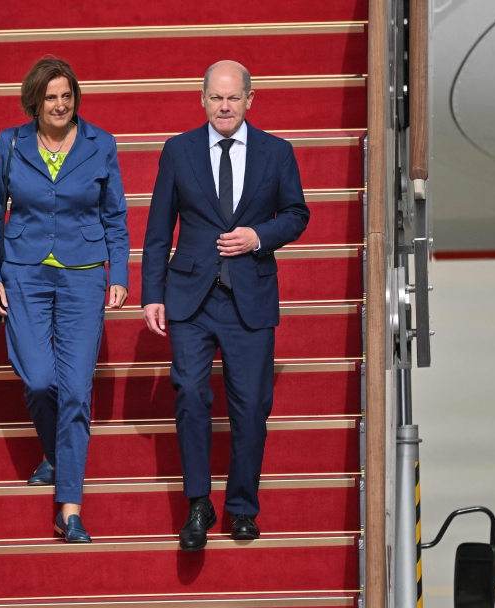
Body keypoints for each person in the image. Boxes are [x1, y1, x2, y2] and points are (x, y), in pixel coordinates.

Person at [140, 60, 310, 550]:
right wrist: (153, 292)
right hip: (191, 298)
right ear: (202, 99)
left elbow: (297, 214)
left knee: (251, 406)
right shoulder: (178, 151)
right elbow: (158, 230)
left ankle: (241, 508)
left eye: (233, 97)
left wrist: (260, 235)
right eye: (216, 97)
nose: (224, 106)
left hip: (250, 297)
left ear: (250, 100)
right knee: (190, 396)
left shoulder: (277, 153)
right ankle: (198, 504)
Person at [0, 57, 129, 543]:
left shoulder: (100, 143)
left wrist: (119, 273)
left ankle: (70, 508)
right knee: (41, 381)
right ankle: (54, 455)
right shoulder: (11, 143)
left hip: (84, 275)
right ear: (35, 101)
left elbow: (116, 218)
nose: (60, 105)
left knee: (76, 391)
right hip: (23, 273)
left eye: (67, 96)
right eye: (51, 97)